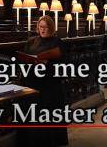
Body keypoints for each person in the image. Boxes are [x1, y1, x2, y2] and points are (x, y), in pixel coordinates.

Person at [18, 15, 69, 146]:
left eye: (46, 27)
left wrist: (47, 64)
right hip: (32, 82)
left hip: (49, 84)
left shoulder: (58, 43)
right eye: (40, 27)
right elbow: (24, 59)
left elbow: (64, 66)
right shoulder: (31, 41)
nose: (43, 30)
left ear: (51, 28)